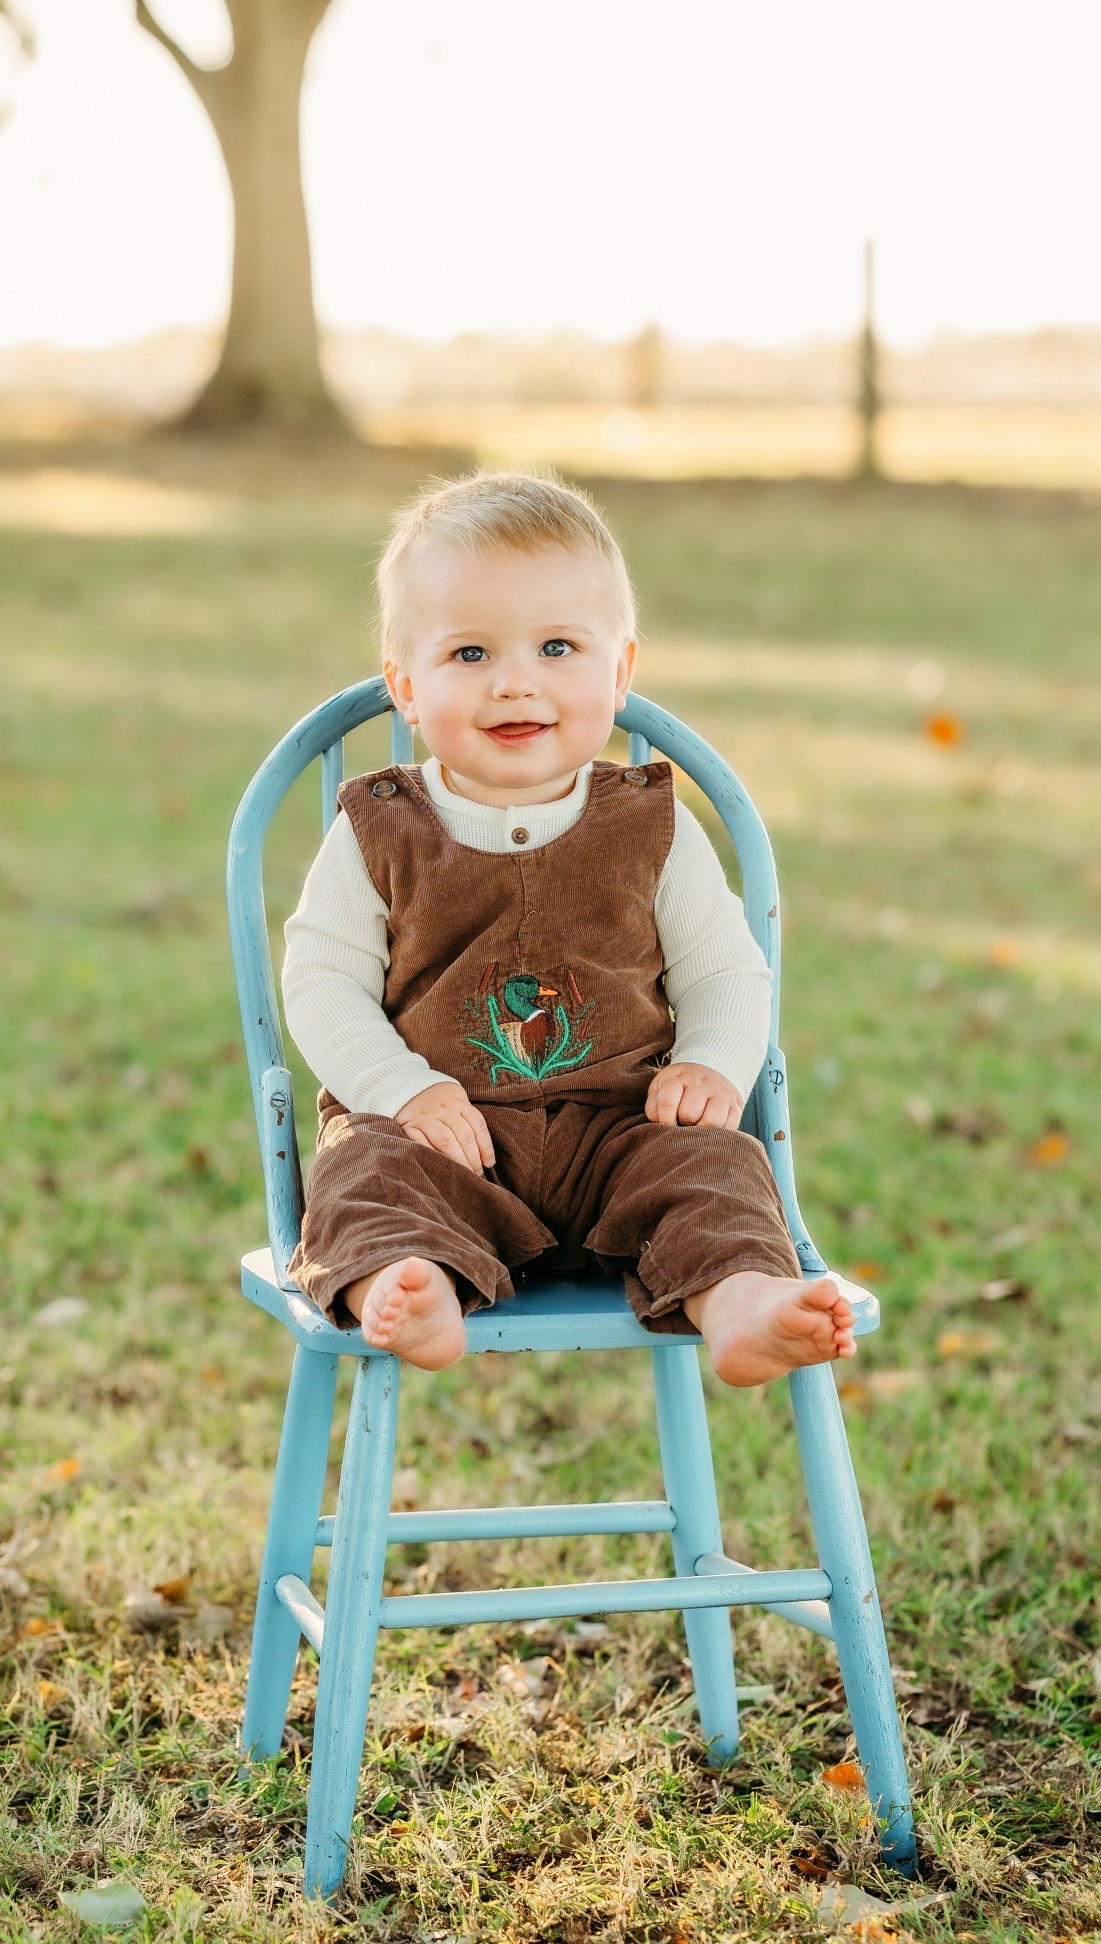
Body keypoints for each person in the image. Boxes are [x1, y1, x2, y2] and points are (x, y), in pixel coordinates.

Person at [280, 471, 855, 1382]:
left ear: (619, 671)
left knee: (713, 1168)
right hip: (439, 1140)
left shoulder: (649, 824)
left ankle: (742, 1301)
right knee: (362, 1176)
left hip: (620, 1135)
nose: (516, 682)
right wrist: (399, 1088)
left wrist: (714, 1063)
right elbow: (320, 984)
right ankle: (406, 1279)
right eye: (469, 654)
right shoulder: (377, 827)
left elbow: (724, 974)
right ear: (405, 687)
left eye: (557, 647)